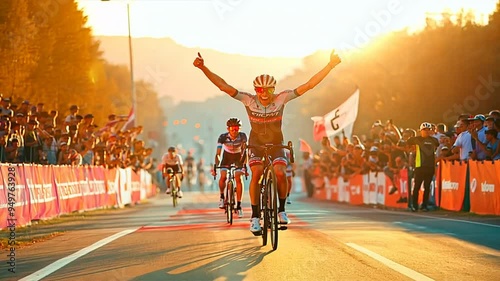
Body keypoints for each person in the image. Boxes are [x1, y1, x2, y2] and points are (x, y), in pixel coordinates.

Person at [194, 50, 341, 234]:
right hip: (256, 143)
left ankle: (281, 210)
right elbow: (223, 86)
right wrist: (203, 68)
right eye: (260, 90)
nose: (264, 94)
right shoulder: (248, 100)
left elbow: (309, 85)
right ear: (256, 90)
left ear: (274, 89)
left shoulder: (282, 98)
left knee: (280, 172)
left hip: (276, 143)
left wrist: (330, 65)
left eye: (269, 89)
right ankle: (255, 216)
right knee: (256, 173)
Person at [212, 118, 248, 218]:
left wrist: (245, 166)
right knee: (223, 176)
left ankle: (239, 205)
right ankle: (222, 197)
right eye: (232, 129)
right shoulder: (222, 137)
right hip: (226, 157)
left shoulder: (243, 136)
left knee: (238, 177)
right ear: (228, 129)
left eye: (237, 128)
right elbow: (218, 154)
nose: (235, 131)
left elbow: (245, 153)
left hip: (238, 157)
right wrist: (216, 165)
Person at [406, 122, 439, 212]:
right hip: (419, 166)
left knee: (427, 187)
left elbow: (437, 144)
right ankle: (414, 205)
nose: (427, 131)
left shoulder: (434, 140)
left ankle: (424, 205)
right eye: (424, 130)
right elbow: (408, 142)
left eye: (428, 130)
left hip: (430, 166)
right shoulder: (417, 139)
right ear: (421, 131)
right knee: (417, 187)